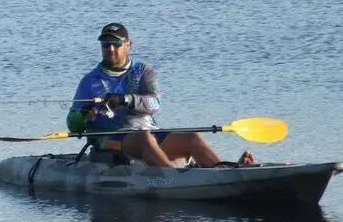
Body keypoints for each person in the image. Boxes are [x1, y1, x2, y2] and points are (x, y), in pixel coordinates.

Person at [67, 23, 254, 168]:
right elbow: (72, 123)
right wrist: (83, 115)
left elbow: (155, 104)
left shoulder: (143, 72)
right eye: (106, 44)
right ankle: (175, 178)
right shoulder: (90, 81)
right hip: (110, 139)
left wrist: (125, 100)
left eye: (116, 44)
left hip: (149, 133)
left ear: (128, 45)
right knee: (144, 138)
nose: (111, 49)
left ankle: (222, 172)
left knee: (191, 138)